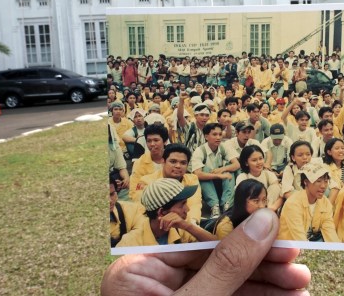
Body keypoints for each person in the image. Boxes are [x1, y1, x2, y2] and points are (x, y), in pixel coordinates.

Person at [101, 208, 311, 296]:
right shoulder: (131, 243)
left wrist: (188, 227)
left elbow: (212, 246)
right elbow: (222, 249)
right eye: (182, 205)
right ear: (162, 213)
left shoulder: (181, 235)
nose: (187, 210)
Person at [278, 162, 340, 242]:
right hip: (290, 245)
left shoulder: (325, 202)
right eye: (318, 181)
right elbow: (299, 238)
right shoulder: (293, 203)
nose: (323, 186)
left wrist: (337, 250)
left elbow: (329, 230)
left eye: (325, 181)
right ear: (306, 182)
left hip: (311, 240)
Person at [191, 123, 233, 218]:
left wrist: (223, 169)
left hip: (221, 184)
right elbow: (197, 174)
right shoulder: (200, 151)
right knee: (204, 170)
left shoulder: (223, 147)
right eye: (214, 134)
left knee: (229, 168)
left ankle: (227, 204)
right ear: (206, 136)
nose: (218, 137)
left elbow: (236, 164)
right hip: (207, 186)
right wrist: (219, 175)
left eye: (220, 134)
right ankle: (215, 207)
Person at [236, 145, 283, 212]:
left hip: (269, 207)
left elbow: (280, 195)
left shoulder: (268, 174)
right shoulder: (242, 177)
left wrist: (272, 207)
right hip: (250, 211)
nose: (259, 162)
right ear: (246, 163)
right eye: (254, 160)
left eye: (261, 159)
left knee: (276, 187)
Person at [109, 175, 146, 247]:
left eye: (111, 194)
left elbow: (144, 228)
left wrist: (126, 241)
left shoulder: (130, 209)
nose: (109, 201)